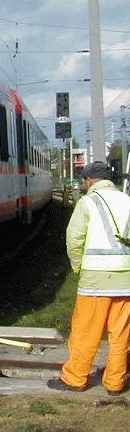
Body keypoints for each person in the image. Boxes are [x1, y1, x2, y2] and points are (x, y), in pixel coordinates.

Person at [48, 161, 130, 395]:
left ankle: (75, 379)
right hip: (126, 280)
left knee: (86, 332)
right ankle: (115, 383)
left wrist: (78, 267)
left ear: (90, 181)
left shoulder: (87, 202)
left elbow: (74, 239)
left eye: (84, 181)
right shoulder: (127, 200)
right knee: (120, 334)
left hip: (95, 281)